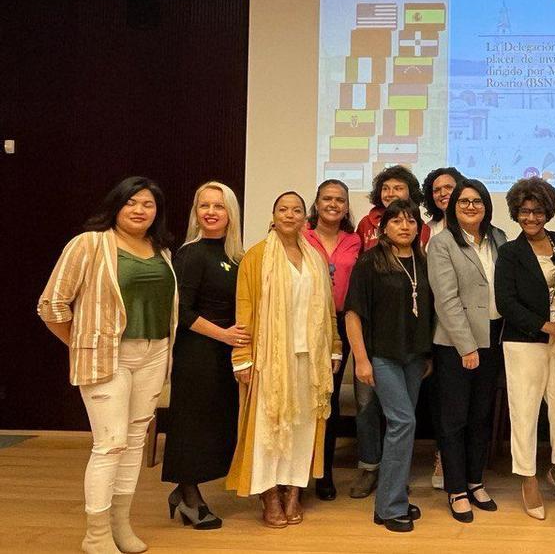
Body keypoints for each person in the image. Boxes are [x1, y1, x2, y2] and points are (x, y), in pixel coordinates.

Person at [38, 177, 178, 554]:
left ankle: (120, 524)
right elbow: (51, 306)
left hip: (154, 354)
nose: (139, 210)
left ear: (157, 212)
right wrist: (84, 345)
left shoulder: (160, 248)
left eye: (148, 204)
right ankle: (96, 534)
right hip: (109, 357)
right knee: (110, 444)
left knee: (133, 443)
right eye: (131, 202)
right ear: (116, 205)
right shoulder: (89, 244)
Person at [226, 192, 341, 529]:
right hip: (269, 359)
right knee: (270, 427)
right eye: (283, 209)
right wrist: (242, 357)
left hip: (311, 358)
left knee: (303, 428)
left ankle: (294, 489)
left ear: (306, 217)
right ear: (273, 215)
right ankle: (270, 493)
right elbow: (244, 308)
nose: (290, 215)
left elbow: (327, 309)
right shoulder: (257, 257)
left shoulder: (315, 258)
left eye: (297, 210)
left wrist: (334, 346)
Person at [344, 199, 435, 532]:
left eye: (411, 221)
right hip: (381, 356)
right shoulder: (370, 262)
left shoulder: (423, 262)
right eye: (397, 221)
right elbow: (353, 313)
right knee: (402, 422)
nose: (405, 226)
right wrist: (362, 359)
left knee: (403, 427)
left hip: (414, 357)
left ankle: (394, 494)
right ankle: (388, 506)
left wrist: (427, 355)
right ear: (384, 228)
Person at [162, 181, 247, 530]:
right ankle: (188, 494)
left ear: (231, 214)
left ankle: (185, 492)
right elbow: (181, 312)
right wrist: (224, 335)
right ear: (196, 213)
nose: (211, 212)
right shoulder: (190, 254)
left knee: (214, 425)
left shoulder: (233, 257)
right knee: (191, 426)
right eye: (204, 206)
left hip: (222, 355)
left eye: (219, 206)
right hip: (197, 354)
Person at [427, 178, 508, 523]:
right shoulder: (442, 243)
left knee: (480, 416)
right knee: (454, 419)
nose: (471, 207)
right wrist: (466, 346)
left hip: (493, 338)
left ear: (487, 205)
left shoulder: (499, 239)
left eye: (477, 201)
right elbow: (445, 300)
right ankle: (456, 488)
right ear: (451, 206)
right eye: (464, 202)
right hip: (457, 343)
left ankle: (476, 481)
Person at [494, 177, 555, 520]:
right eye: (524, 211)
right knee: (525, 413)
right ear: (515, 213)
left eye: (537, 211)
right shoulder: (510, 253)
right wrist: (545, 326)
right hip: (525, 342)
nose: (531, 217)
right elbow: (506, 302)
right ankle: (527, 478)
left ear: (548, 211)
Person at [304, 180, 366, 501]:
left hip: (341, 325)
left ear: (346, 206)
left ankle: (324, 472)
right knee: (301, 400)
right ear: (316, 203)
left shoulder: (355, 241)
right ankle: (297, 474)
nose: (333, 204)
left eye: (339, 200)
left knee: (326, 400)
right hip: (302, 324)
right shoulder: (300, 236)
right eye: (326, 198)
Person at [419, 166, 463, 489]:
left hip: (467, 324)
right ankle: (440, 454)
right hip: (429, 321)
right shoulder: (425, 230)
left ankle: (464, 462)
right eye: (436, 190)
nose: (443, 193)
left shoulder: (481, 228)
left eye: (449, 187)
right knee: (439, 394)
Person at [356, 165, 425, 250]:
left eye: (398, 188)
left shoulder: (421, 226)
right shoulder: (366, 223)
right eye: (385, 188)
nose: (390, 194)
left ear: (411, 192)